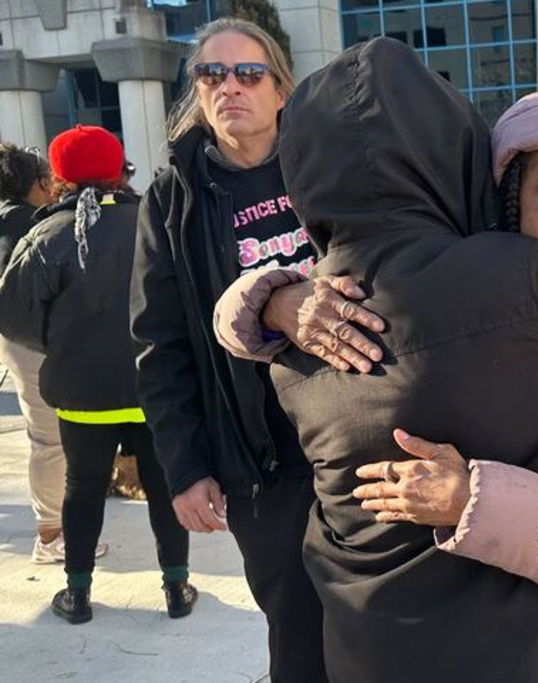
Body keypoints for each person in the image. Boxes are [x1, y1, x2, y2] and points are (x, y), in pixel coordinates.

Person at [213, 37, 538, 683]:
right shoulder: (529, 289)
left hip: (367, 648)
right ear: (475, 174)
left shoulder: (303, 333)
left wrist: (264, 297)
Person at [130, 18, 339, 682]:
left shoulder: (330, 168)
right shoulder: (173, 198)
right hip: (260, 461)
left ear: (282, 90)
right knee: (298, 632)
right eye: (211, 74)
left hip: (356, 435)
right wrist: (185, 467)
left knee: (381, 621)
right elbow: (160, 344)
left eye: (249, 73)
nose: (230, 87)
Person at [0, 125, 193, 624]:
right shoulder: (155, 222)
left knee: (82, 489)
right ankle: (176, 588)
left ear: (58, 177)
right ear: (118, 169)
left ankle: (79, 595)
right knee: (165, 487)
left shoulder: (45, 234)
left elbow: (16, 319)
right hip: (155, 388)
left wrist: (67, 346)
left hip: (82, 396)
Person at [0, 142, 97, 565]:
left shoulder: (8, 221)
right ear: (40, 184)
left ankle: (56, 524)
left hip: (23, 340)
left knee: (52, 436)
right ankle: (51, 534)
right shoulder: (30, 225)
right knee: (50, 438)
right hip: (33, 340)